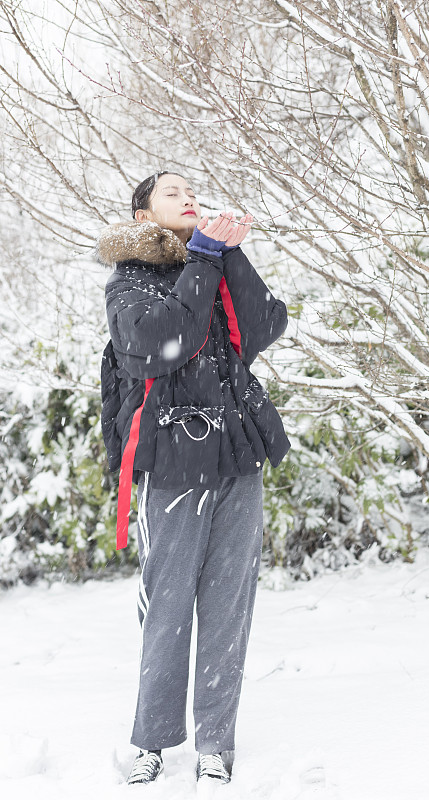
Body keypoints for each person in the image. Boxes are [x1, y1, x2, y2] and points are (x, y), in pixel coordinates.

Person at [96, 171, 291, 786]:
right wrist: (204, 257)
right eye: (172, 192)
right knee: (169, 606)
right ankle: (152, 740)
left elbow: (263, 327)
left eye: (192, 191)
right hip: (172, 465)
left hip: (237, 457)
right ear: (143, 211)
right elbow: (163, 342)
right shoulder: (129, 280)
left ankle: (216, 745)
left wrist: (231, 253)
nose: (189, 198)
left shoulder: (215, 260)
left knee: (230, 607)